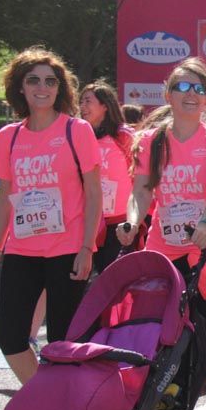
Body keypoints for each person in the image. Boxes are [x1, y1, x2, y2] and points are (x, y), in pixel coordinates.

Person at [116, 57, 206, 410]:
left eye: (199, 89)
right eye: (182, 88)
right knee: (159, 333)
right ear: (168, 93)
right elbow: (141, 190)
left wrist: (205, 223)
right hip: (163, 251)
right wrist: (133, 220)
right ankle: (162, 406)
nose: (191, 95)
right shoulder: (152, 141)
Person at [0, 47, 102, 384]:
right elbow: (6, 199)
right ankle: (43, 396)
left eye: (50, 81)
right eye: (33, 80)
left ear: (59, 88)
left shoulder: (76, 130)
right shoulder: (9, 136)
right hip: (22, 250)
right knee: (10, 337)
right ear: (20, 86)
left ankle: (63, 408)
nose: (42, 87)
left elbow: (93, 193)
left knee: (63, 343)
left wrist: (87, 248)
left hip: (67, 250)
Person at [79, 80, 134, 273]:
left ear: (104, 105)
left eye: (88, 101)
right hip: (84, 220)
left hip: (118, 223)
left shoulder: (124, 137)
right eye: (81, 102)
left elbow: (141, 176)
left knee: (114, 279)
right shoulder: (76, 137)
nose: (82, 107)